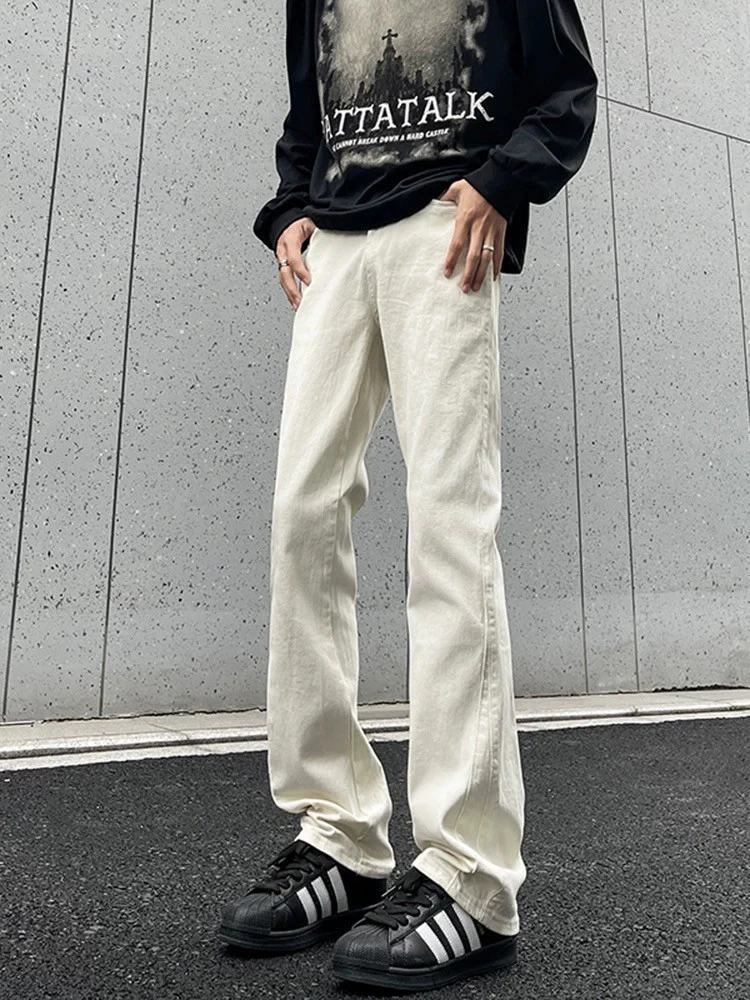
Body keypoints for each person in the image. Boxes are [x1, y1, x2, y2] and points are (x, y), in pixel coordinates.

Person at [218, 0, 597, 990]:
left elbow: (566, 89)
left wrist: (501, 181)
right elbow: (311, 104)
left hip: (445, 223)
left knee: (449, 528)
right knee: (302, 515)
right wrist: (290, 205)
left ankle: (473, 877)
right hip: (338, 242)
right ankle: (340, 835)